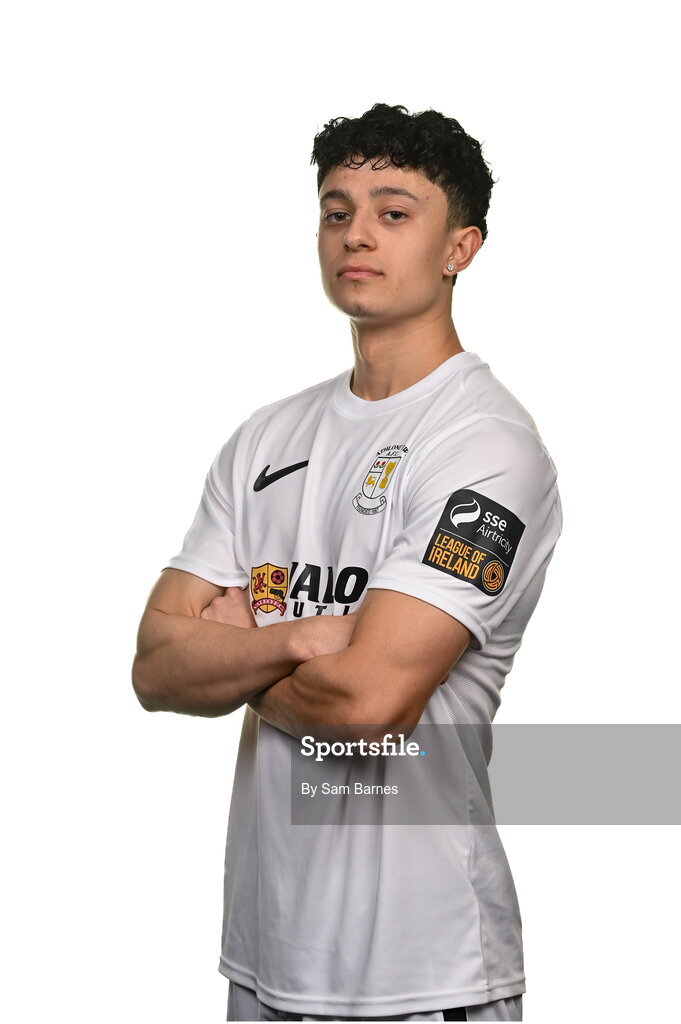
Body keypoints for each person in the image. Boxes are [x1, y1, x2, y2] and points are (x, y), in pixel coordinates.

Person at [132, 102, 562, 1022]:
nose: (355, 233)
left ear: (461, 248)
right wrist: (317, 638)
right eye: (337, 210)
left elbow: (369, 706)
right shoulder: (265, 440)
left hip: (424, 968)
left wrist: (245, 643)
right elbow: (153, 667)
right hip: (267, 954)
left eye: (394, 211)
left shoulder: (486, 447)